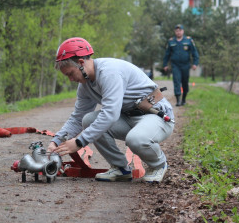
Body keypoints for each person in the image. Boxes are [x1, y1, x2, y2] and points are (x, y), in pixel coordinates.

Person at [47, 37, 175, 183]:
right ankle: (120, 168)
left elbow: (110, 114)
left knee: (135, 139)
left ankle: (159, 165)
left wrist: (79, 142)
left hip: (156, 116)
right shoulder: (85, 85)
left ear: (81, 63)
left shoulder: (109, 72)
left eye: (70, 73)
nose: (70, 79)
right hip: (129, 118)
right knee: (88, 120)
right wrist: (56, 142)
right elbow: (77, 118)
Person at [163, 24, 199, 106]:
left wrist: (195, 63)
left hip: (186, 65)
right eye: (176, 31)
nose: (178, 32)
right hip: (175, 65)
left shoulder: (189, 40)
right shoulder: (171, 41)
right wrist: (165, 64)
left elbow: (194, 53)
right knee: (176, 81)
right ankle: (178, 100)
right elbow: (167, 54)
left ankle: (184, 99)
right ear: (175, 32)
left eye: (180, 30)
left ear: (183, 31)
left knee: (185, 82)